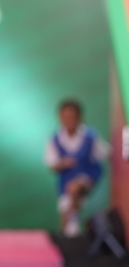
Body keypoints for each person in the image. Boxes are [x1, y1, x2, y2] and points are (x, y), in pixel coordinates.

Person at [44, 99, 111, 237]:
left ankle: (73, 224)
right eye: (66, 117)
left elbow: (107, 154)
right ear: (60, 117)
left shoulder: (90, 136)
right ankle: (70, 235)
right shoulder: (55, 139)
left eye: (72, 116)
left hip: (88, 176)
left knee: (74, 188)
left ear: (79, 117)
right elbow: (51, 165)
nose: (69, 120)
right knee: (65, 210)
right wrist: (63, 164)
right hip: (65, 181)